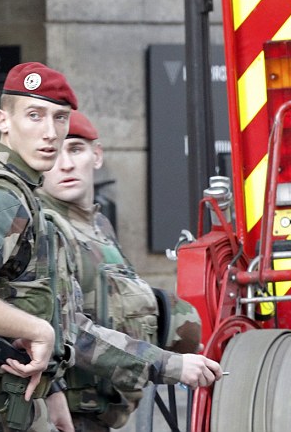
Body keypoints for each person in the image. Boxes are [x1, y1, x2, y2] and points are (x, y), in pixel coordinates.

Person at [0, 62, 221, 432]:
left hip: (22, 400)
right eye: (34, 115)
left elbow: (38, 305)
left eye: (60, 118)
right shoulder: (0, 195)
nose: (50, 133)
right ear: (4, 120)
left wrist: (53, 390)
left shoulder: (26, 198)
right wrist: (40, 331)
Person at [38, 110, 203, 432]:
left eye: (75, 149)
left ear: (96, 155)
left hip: (100, 415)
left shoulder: (99, 225)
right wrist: (167, 364)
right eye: (55, 153)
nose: (66, 164)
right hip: (61, 418)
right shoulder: (44, 228)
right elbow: (69, 331)